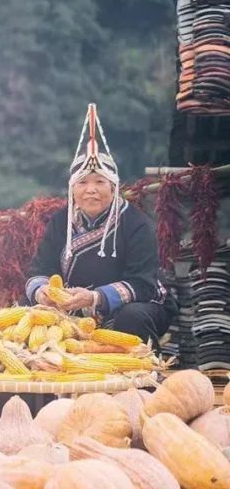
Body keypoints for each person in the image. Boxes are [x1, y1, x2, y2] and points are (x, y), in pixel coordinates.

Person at [25, 104, 176, 348]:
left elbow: (142, 284)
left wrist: (95, 298)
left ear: (114, 187)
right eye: (82, 182)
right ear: (73, 189)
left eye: (99, 182)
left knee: (133, 317)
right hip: (74, 307)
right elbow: (39, 270)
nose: (91, 189)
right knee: (29, 310)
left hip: (137, 304)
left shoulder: (136, 223)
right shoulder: (61, 221)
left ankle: (146, 376)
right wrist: (43, 293)